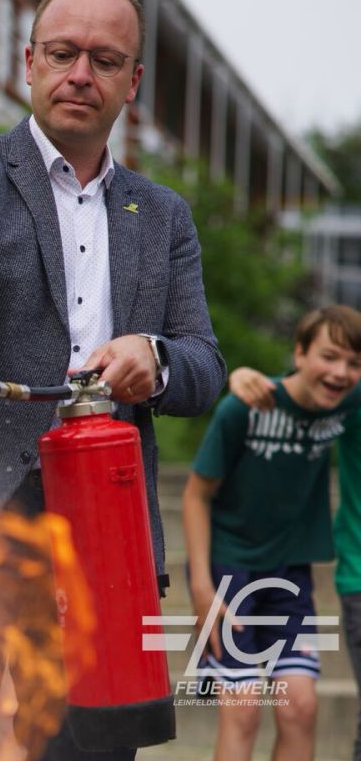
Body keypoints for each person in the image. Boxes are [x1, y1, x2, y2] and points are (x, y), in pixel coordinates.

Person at [0, 0, 226, 761]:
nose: (80, 75)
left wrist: (156, 356)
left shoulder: (164, 215)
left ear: (132, 82)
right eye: (63, 53)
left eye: (105, 60)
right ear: (29, 61)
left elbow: (204, 363)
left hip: (98, 517)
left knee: (92, 743)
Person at [183, 305, 361, 761]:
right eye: (329, 356)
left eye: (354, 363)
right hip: (228, 571)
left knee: (300, 707)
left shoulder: (344, 405)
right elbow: (196, 496)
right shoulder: (245, 407)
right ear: (299, 354)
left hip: (289, 574)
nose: (341, 372)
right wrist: (201, 586)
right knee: (242, 709)